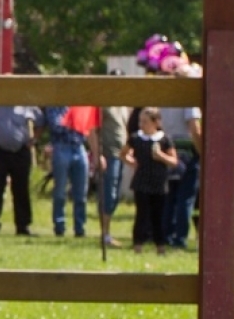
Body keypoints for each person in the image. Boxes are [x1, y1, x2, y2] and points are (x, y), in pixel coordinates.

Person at [160, 61, 203, 249]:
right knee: (186, 196)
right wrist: (202, 151)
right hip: (186, 148)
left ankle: (167, 233)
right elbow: (194, 129)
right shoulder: (189, 100)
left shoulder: (167, 100)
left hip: (169, 146)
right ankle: (180, 237)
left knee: (171, 195)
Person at [125, 107, 177, 254]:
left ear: (156, 122)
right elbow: (124, 153)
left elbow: (174, 161)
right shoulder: (136, 138)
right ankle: (137, 246)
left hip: (158, 182)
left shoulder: (165, 139)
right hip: (141, 182)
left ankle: (160, 247)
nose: (141, 124)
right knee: (141, 215)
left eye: (145, 122)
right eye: (140, 121)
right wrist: (132, 162)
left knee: (158, 216)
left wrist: (161, 156)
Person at [43, 105, 100, 239]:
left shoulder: (81, 106)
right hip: (61, 147)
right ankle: (59, 226)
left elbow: (88, 127)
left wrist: (72, 122)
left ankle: (80, 227)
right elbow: (56, 125)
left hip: (79, 148)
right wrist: (75, 122)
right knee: (60, 191)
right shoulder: (55, 106)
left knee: (81, 192)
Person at [0, 105, 37, 236]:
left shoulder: (25, 104)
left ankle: (23, 226)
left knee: (21, 189)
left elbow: (40, 121)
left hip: (21, 151)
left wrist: (34, 139)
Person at [98, 94, 131, 249]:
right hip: (108, 154)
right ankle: (104, 234)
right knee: (108, 195)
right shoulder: (103, 106)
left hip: (121, 155)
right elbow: (95, 130)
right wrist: (98, 154)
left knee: (116, 195)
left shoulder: (123, 105)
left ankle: (107, 233)